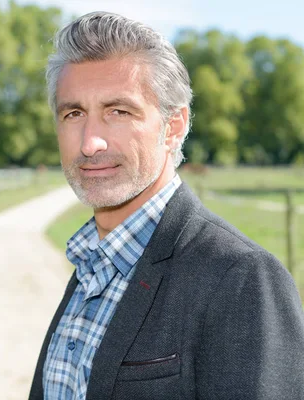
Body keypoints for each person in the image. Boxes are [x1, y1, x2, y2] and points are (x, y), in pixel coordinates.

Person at [28, 11, 304, 400]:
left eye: (118, 112)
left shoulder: (241, 278)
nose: (90, 143)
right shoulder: (92, 261)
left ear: (173, 126)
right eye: (74, 114)